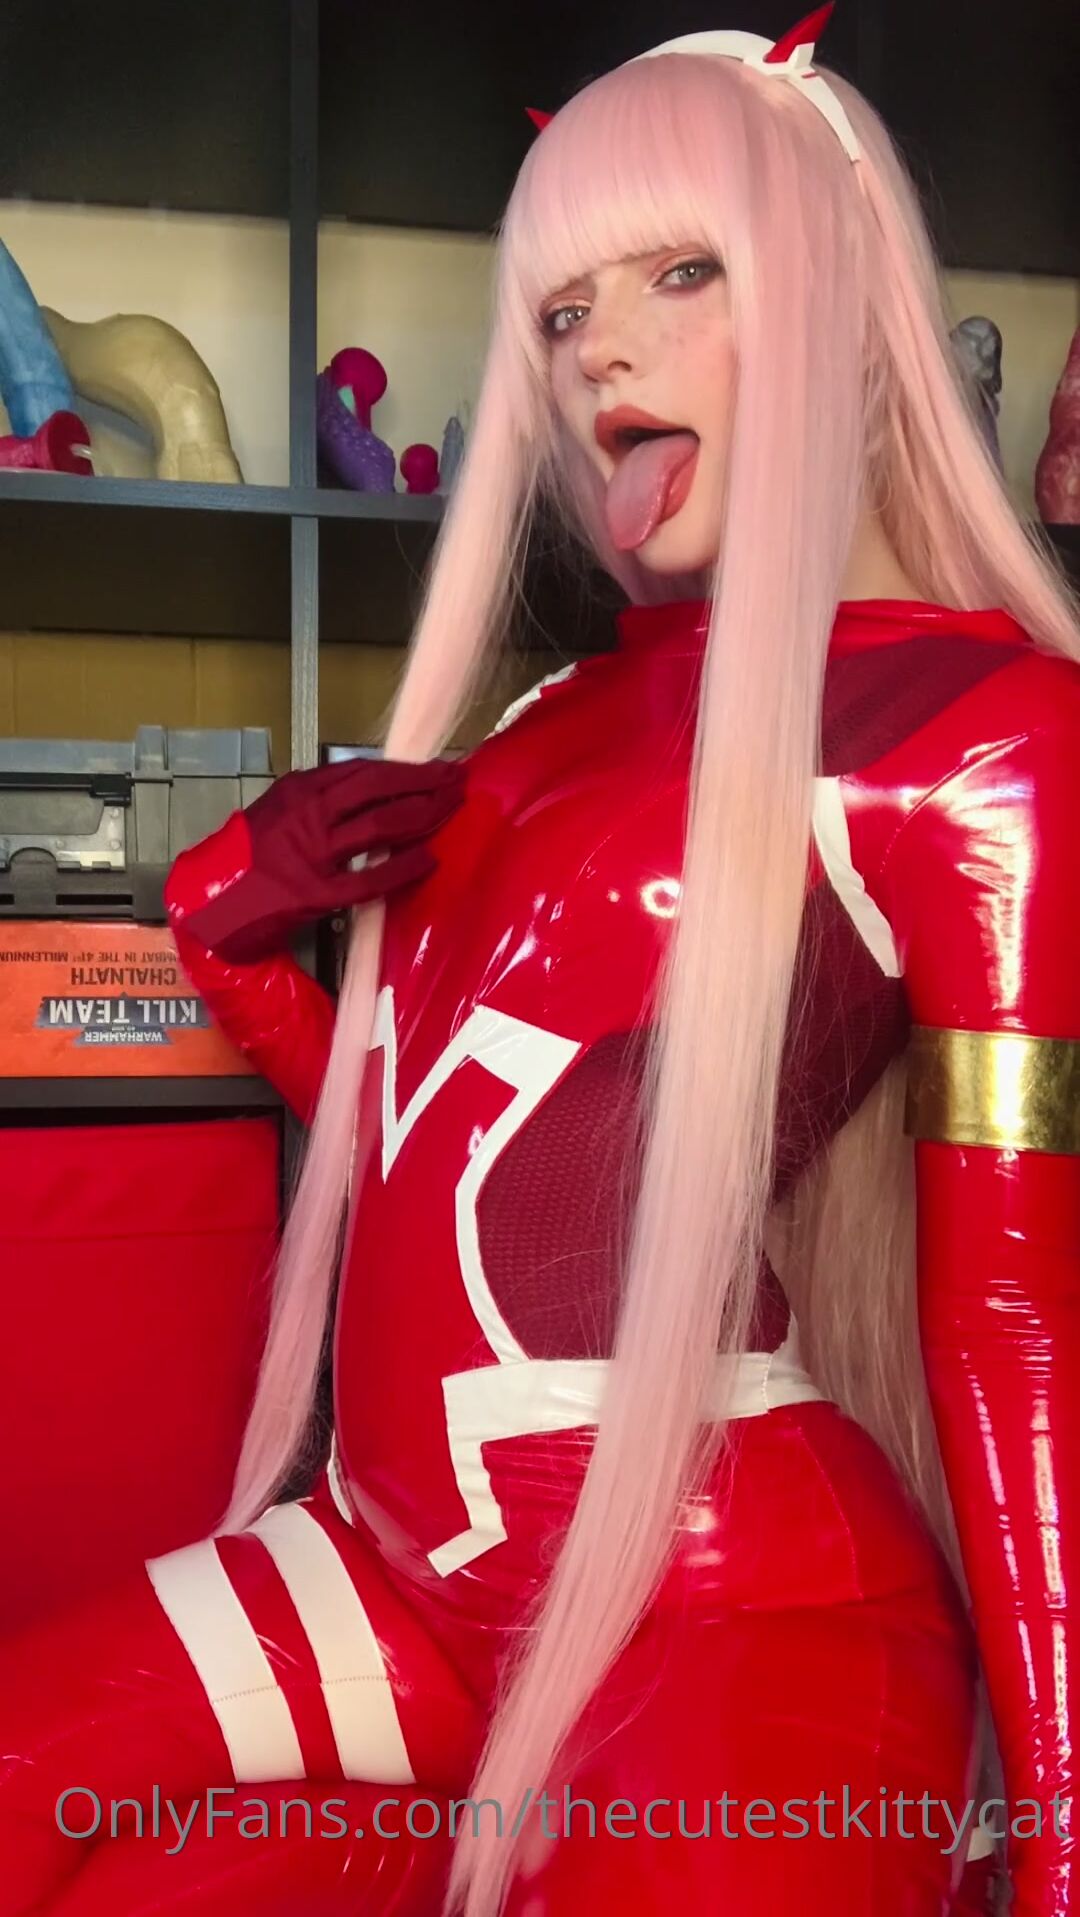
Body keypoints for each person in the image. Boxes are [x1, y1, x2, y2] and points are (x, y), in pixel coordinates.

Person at [3, 8, 1080, 1913]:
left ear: (842, 297)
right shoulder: (549, 714)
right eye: (564, 310)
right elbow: (420, 1136)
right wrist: (229, 918)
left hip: (734, 1603)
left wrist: (1065, 1827)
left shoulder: (982, 736)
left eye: (683, 273)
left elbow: (1017, 1329)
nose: (601, 354)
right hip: (396, 1566)